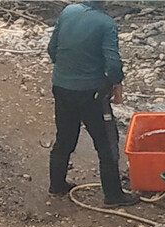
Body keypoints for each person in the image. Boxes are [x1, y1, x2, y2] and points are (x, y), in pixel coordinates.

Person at [47, 1, 139, 206]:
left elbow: (52, 50)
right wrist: (114, 83)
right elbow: (114, 67)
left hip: (62, 88)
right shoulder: (106, 24)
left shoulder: (68, 12)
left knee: (65, 137)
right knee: (107, 142)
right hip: (91, 94)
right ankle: (114, 195)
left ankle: (57, 185)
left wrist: (70, 70)